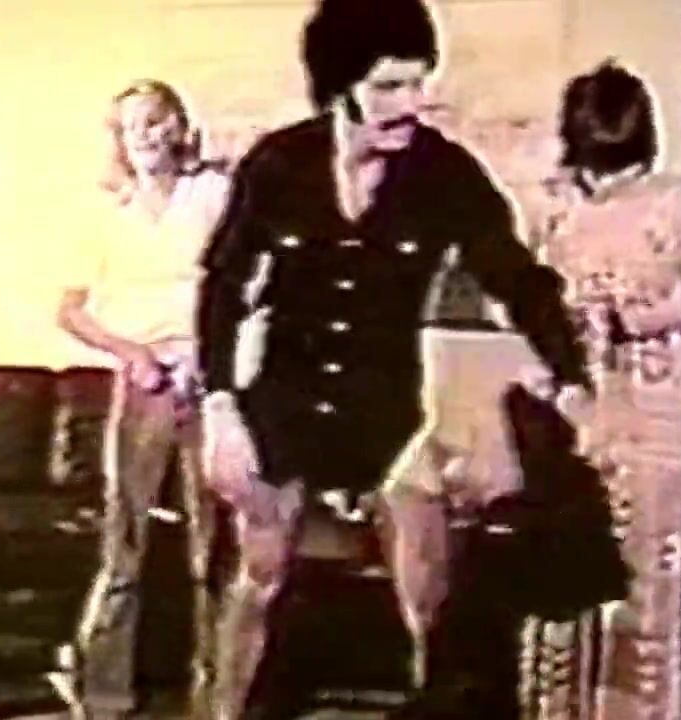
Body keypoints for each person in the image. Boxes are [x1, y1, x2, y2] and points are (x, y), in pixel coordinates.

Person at [194, 1, 595, 716]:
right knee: (259, 581)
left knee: (427, 594)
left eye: (417, 83)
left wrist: (570, 377)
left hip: (386, 416)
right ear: (339, 88)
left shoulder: (446, 173)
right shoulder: (279, 165)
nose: (409, 103)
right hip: (284, 404)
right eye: (387, 87)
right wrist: (220, 405)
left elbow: (518, 281)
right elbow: (225, 285)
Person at [521, 59, 681, 720]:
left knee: (646, 593)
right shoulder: (556, 208)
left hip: (655, 416)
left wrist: (646, 315)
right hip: (572, 418)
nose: (605, 182)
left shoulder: (677, 205)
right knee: (559, 591)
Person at [59, 80, 232, 719]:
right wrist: (132, 353)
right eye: (134, 127)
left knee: (214, 549)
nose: (148, 135)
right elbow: (69, 311)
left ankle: (217, 697)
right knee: (124, 542)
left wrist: (206, 354)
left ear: (180, 127)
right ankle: (103, 698)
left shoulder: (212, 195)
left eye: (158, 121)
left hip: (212, 380)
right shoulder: (109, 214)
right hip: (144, 380)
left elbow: (245, 285)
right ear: (121, 142)